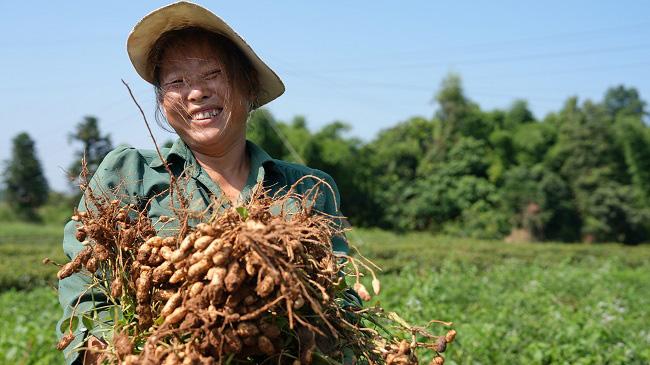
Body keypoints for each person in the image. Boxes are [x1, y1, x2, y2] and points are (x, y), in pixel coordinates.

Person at [56, 2, 353, 364]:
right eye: (176, 82)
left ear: (248, 86)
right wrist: (115, 348)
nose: (195, 93)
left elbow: (339, 296)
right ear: (163, 101)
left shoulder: (307, 189)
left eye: (212, 74)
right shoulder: (129, 173)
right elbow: (86, 286)